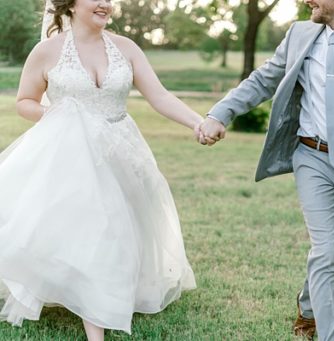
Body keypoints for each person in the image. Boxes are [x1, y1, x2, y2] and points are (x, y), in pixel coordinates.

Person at [195, 0, 334, 339]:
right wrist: (219, 113)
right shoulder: (300, 34)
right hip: (312, 156)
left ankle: (310, 306)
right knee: (327, 252)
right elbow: (264, 79)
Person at [0, 0, 201, 339]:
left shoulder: (126, 48)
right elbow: (25, 102)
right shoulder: (46, 52)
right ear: (71, 4)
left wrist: (197, 122)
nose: (107, 4)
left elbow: (160, 96)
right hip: (68, 154)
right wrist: (59, 116)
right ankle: (95, 327)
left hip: (120, 150)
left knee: (117, 231)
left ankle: (100, 294)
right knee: (94, 229)